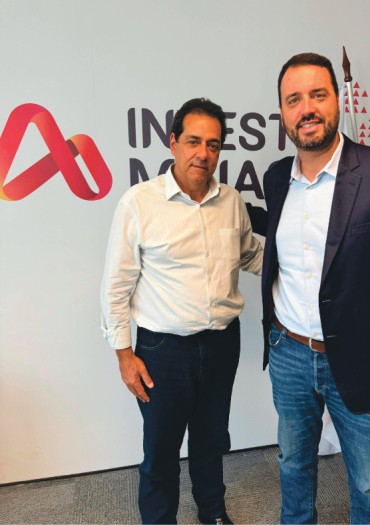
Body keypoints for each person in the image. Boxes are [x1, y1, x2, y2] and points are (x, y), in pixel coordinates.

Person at [249, 53, 370, 524]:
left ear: (336, 100)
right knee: (293, 465)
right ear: (283, 113)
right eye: (294, 100)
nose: (307, 109)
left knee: (369, 483)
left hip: (365, 356)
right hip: (289, 352)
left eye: (318, 95)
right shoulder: (276, 178)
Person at [100, 98, 263, 525]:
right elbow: (115, 287)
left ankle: (212, 510)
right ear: (173, 143)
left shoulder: (231, 201)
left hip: (222, 344)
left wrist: (305, 260)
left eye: (213, 144)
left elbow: (250, 255)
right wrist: (124, 355)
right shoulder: (139, 203)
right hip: (163, 351)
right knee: (161, 449)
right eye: (193, 141)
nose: (202, 153)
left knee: (212, 439)